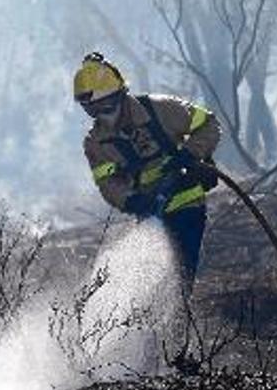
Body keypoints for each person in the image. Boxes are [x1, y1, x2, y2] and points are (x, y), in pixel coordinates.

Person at [74, 52, 221, 367]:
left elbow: (208, 124)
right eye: (94, 111)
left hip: (187, 205)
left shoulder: (160, 110)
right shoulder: (96, 143)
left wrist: (189, 154)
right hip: (150, 216)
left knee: (180, 278)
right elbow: (108, 184)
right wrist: (131, 200)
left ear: (121, 95)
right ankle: (147, 354)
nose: (104, 116)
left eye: (107, 106)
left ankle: (176, 354)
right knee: (152, 282)